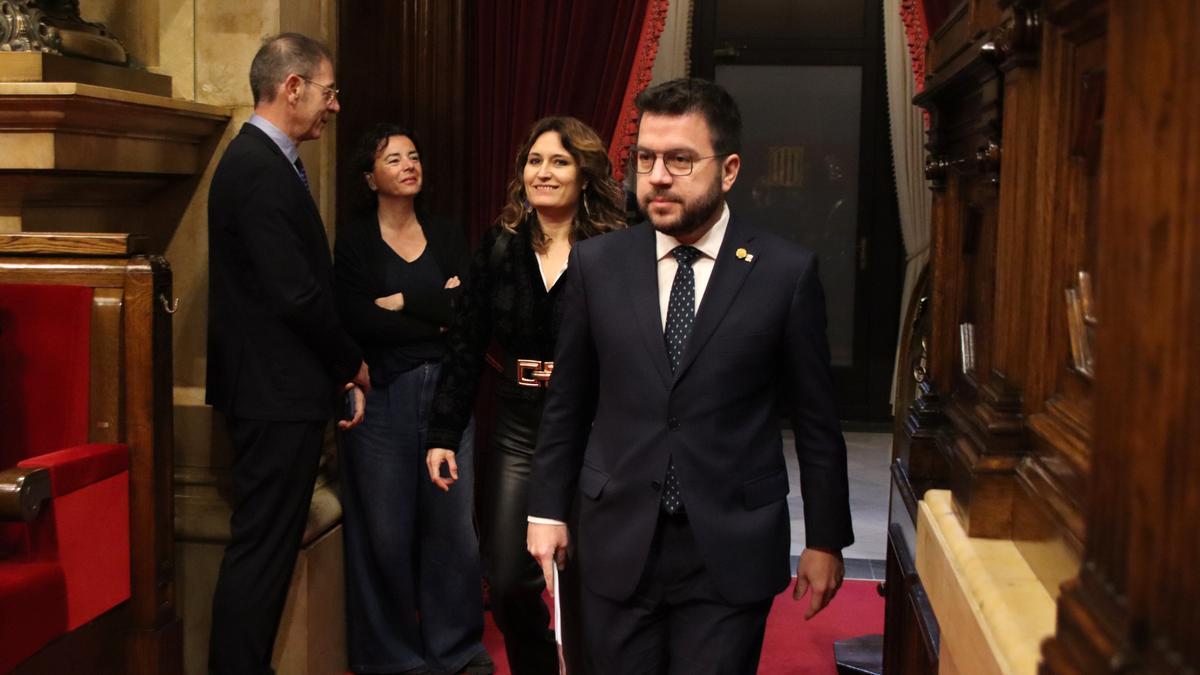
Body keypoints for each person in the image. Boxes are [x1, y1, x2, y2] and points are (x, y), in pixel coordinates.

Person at [526, 78, 854, 674]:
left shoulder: (784, 273)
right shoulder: (599, 265)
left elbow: (815, 419)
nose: (655, 177)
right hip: (616, 534)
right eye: (645, 158)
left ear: (728, 170)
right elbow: (568, 401)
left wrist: (826, 537)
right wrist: (546, 509)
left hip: (728, 544)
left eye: (679, 159)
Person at [425, 116, 625, 675]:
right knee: (509, 578)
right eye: (534, 161)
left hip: (595, 428)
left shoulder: (616, 246)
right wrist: (443, 432)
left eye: (559, 161)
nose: (543, 172)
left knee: (589, 582)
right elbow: (465, 342)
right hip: (517, 426)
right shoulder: (501, 244)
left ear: (584, 175)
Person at [206, 33, 370, 674]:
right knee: (262, 551)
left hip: (279, 392)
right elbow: (295, 292)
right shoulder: (254, 164)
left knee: (267, 550)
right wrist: (349, 362)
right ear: (293, 86)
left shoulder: (269, 161)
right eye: (329, 92)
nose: (335, 106)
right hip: (273, 395)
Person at [334, 124, 492, 675]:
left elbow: (467, 313)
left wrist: (401, 302)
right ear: (369, 177)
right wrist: (433, 311)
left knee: (453, 532)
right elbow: (355, 319)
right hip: (383, 395)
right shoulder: (354, 241)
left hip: (448, 396)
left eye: (414, 156)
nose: (408, 164)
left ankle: (456, 651)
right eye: (393, 158)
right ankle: (393, 659)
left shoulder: (447, 233)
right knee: (384, 531)